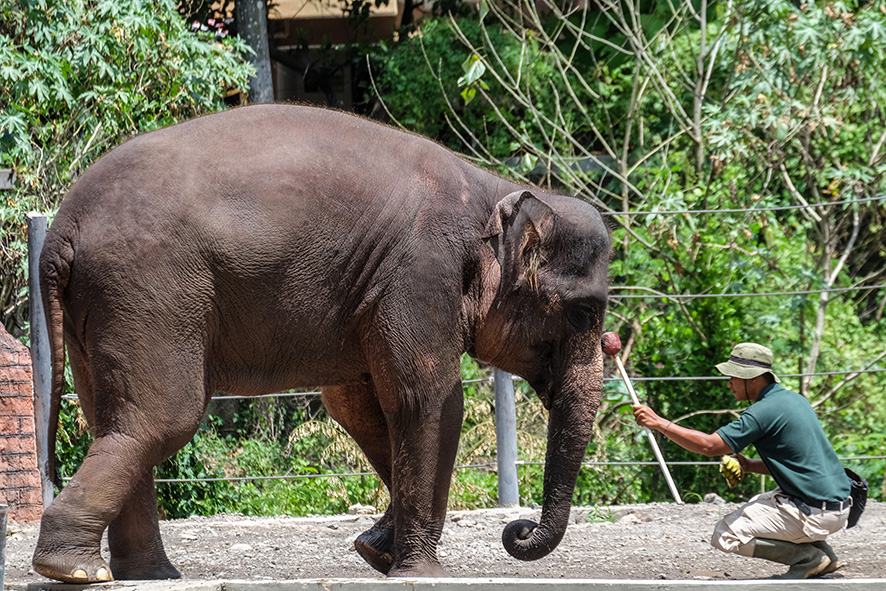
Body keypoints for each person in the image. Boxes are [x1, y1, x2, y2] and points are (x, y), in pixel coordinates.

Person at [632, 342, 851, 579]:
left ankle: (809, 558)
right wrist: (748, 466)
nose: (729, 383)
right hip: (838, 506)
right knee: (760, 501)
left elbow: (709, 446)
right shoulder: (795, 400)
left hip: (814, 513)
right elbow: (797, 463)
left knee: (725, 535)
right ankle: (824, 554)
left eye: (734, 377)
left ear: (753, 378)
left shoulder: (762, 412)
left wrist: (660, 423)